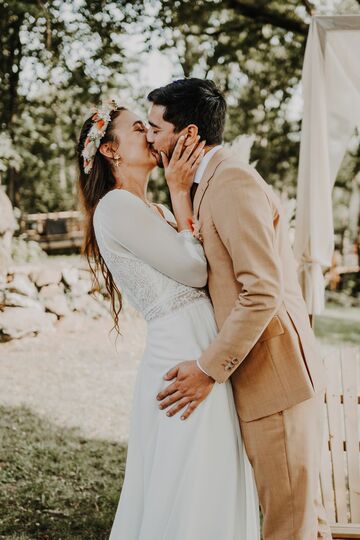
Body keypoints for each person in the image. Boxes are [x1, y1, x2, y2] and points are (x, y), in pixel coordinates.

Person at [148, 78, 332, 540]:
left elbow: (262, 290)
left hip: (276, 382)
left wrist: (207, 369)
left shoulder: (231, 181)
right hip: (262, 382)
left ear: (187, 136)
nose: (149, 139)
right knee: (299, 519)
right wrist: (179, 193)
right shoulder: (211, 181)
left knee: (288, 527)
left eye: (154, 128)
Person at [77, 100, 260, 539]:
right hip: (180, 353)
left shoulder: (152, 211)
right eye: (138, 128)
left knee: (211, 475)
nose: (152, 134)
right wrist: (181, 193)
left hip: (201, 346)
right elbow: (195, 270)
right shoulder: (116, 206)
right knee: (188, 481)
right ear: (110, 150)